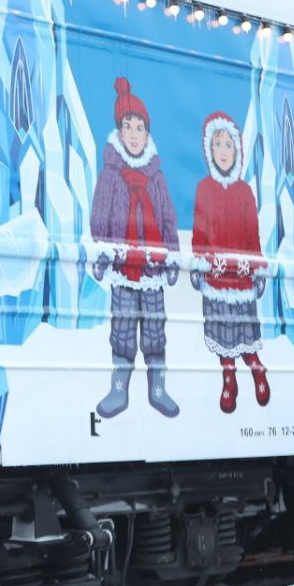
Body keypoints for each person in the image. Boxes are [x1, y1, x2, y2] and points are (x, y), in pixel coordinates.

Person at [90, 77, 181, 419]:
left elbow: (168, 217)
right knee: (123, 327)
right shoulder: (111, 175)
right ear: (119, 131)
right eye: (126, 126)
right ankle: (119, 390)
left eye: (138, 126)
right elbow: (100, 214)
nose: (132, 133)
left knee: (155, 328)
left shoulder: (156, 177)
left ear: (147, 133)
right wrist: (102, 251)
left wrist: (171, 256)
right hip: (123, 268)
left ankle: (158, 389)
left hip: (153, 269)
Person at [190, 111, 270, 413]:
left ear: (237, 149)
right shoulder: (204, 190)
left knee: (246, 334)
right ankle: (228, 379)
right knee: (223, 335)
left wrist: (258, 268)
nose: (223, 151)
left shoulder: (245, 192)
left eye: (228, 144)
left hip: (242, 278)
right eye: (217, 144)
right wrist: (198, 265)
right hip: (216, 279)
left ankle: (257, 370)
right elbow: (199, 235)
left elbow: (253, 236)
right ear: (209, 150)